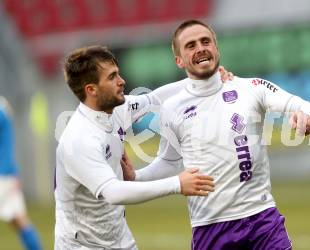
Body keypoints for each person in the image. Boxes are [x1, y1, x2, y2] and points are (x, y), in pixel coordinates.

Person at [125, 20, 310, 250]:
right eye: (190, 45)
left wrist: (306, 117)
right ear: (179, 60)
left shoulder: (251, 88)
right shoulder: (172, 107)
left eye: (205, 41)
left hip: (262, 220)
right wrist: (136, 177)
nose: (200, 48)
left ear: (217, 49)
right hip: (210, 228)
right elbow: (169, 162)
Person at [55, 45, 221, 249]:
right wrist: (178, 184)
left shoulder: (116, 110)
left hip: (121, 240)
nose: (121, 81)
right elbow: (114, 192)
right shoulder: (79, 140)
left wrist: (207, 79)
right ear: (91, 89)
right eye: (112, 77)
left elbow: (155, 99)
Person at [0, 96, 42, 250]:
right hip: (8, 173)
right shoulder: (3, 104)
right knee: (20, 221)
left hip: (2, 175)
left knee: (20, 221)